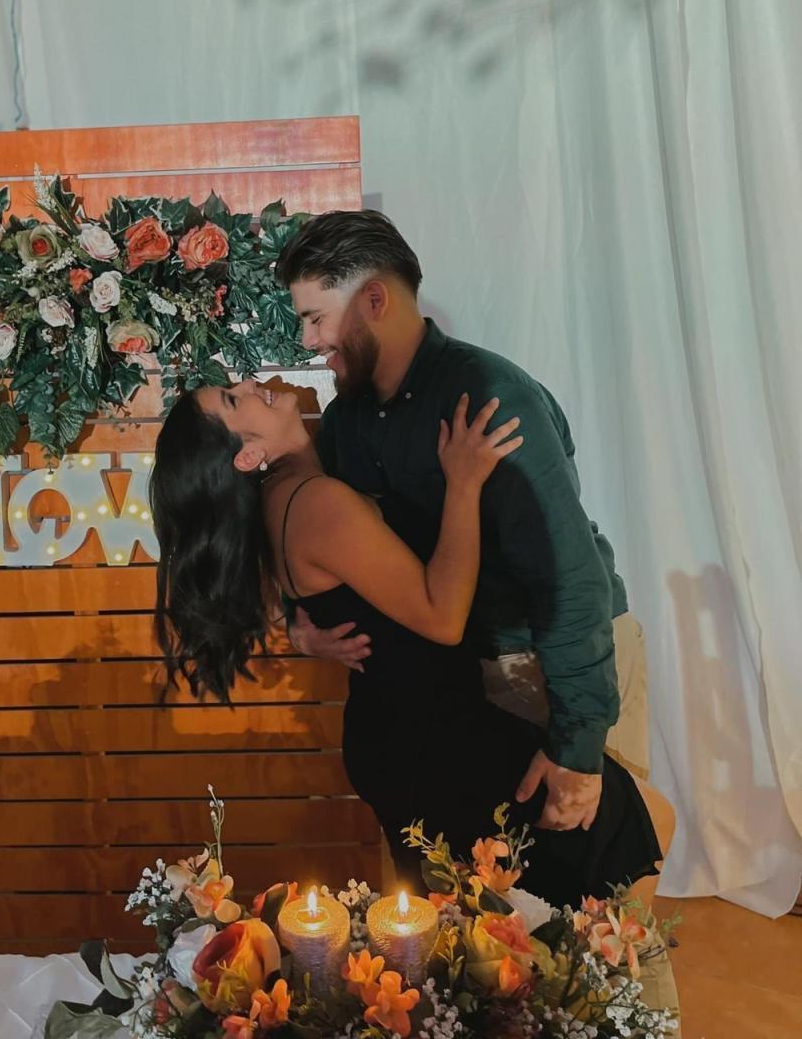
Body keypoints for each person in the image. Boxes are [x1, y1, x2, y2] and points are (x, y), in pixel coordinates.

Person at [150, 376, 671, 910]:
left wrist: (299, 630)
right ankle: (617, 989)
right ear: (247, 455)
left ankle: (604, 987)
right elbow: (442, 619)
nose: (250, 384)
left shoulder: (291, 494)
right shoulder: (315, 500)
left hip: (407, 728)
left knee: (500, 913)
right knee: (635, 833)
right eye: (233, 401)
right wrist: (464, 483)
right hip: (432, 735)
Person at [276, 210, 652, 835]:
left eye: (316, 318)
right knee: (490, 902)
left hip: (546, 667)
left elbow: (567, 577)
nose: (308, 341)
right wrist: (300, 626)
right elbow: (332, 553)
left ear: (374, 300)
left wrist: (578, 745)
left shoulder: (489, 397)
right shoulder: (348, 421)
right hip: (461, 682)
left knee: (584, 896)